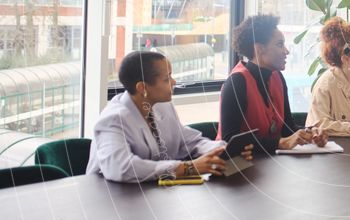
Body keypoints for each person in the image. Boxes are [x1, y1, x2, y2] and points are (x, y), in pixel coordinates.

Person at [87, 51, 252, 182]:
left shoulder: (163, 106)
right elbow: (122, 168)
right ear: (142, 87)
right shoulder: (113, 120)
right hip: (111, 200)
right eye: (167, 79)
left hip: (153, 194)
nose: (173, 82)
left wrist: (222, 151)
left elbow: (190, 142)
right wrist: (186, 168)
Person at [219, 14, 327, 152]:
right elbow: (229, 140)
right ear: (259, 49)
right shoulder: (236, 82)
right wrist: (280, 143)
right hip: (238, 167)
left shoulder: (278, 77)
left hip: (269, 164)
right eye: (280, 44)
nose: (286, 51)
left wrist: (311, 134)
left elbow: (287, 128)